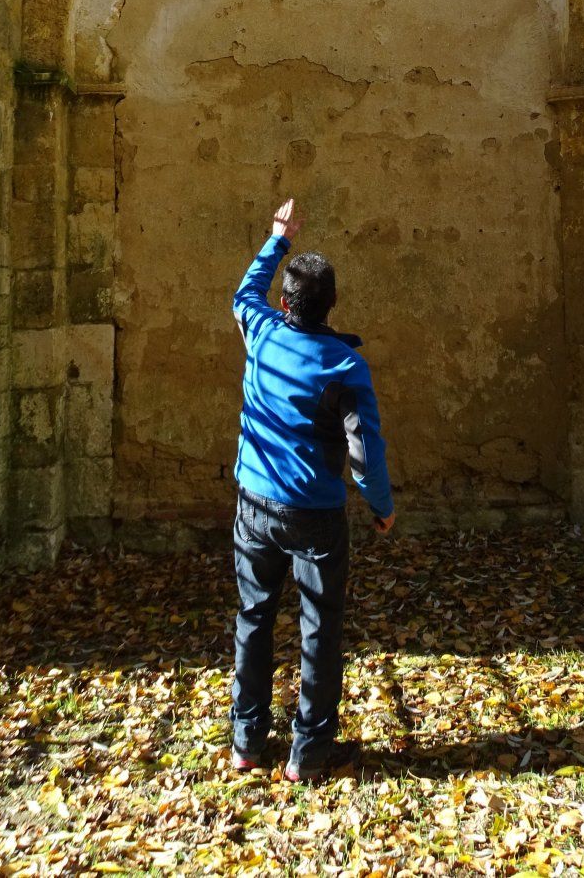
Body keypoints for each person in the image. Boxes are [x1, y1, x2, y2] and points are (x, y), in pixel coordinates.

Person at [230, 197, 395, 782]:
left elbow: (242, 295)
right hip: (316, 515)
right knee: (319, 627)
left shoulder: (262, 334)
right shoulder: (345, 366)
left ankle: (247, 742)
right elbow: (363, 449)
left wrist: (278, 238)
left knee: (254, 618)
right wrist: (381, 507)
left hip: (254, 503)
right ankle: (308, 754)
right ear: (333, 306)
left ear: (286, 302)